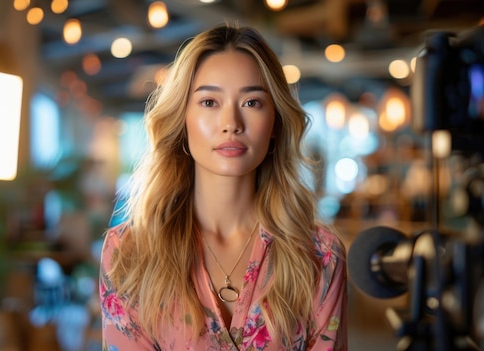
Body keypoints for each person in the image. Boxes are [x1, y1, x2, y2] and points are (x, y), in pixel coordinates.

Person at [99, 22, 348, 350]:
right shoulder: (128, 254)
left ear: (275, 123)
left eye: (252, 102)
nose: (231, 123)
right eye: (209, 102)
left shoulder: (320, 256)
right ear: (182, 119)